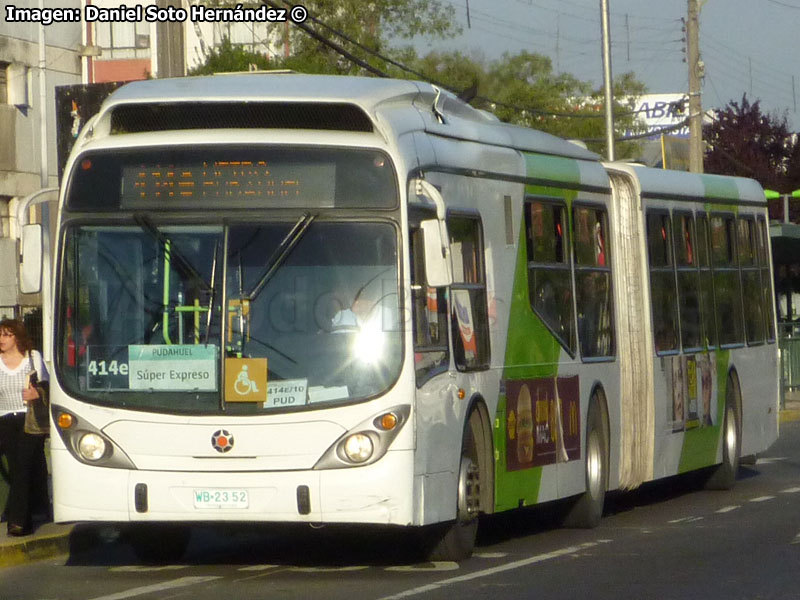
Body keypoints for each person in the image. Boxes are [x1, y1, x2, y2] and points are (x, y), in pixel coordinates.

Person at [0, 319, 50, 536]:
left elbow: (48, 385)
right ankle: (29, 512)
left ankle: (18, 521)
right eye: (0, 335)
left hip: (29, 419)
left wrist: (37, 393)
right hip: (4, 418)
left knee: (21, 465)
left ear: (17, 337)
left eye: (6, 335)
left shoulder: (33, 357)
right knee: (17, 466)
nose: (2, 339)